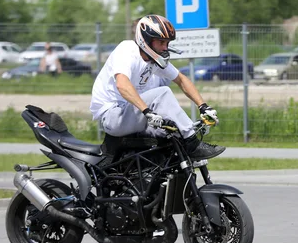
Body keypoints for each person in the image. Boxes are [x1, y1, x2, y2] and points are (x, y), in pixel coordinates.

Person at [90, 14, 225, 160]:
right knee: (163, 93)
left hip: (132, 115)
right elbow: (122, 85)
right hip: (113, 116)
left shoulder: (153, 59)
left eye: (167, 43)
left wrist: (203, 106)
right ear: (146, 40)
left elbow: (181, 79)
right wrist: (147, 111)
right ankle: (193, 144)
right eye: (161, 42)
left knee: (173, 137)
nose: (165, 47)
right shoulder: (127, 50)